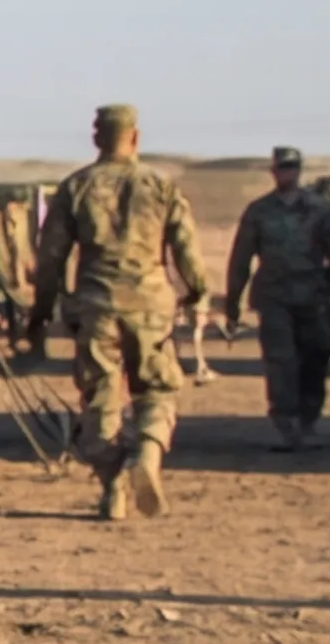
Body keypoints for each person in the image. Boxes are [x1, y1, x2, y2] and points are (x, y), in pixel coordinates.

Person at [32, 104, 209, 520]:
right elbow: (186, 247)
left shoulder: (75, 187)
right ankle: (148, 453)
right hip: (150, 304)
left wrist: (40, 311)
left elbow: (50, 258)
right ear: (136, 137)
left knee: (101, 400)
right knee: (157, 388)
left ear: (97, 139)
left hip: (97, 306)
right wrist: (198, 290)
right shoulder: (160, 187)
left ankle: (113, 487)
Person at [221, 144, 330, 449]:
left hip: (314, 295)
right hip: (275, 296)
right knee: (281, 362)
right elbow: (241, 259)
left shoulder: (320, 209)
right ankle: (287, 423)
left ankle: (308, 419)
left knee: (317, 356)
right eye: (282, 168)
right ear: (273, 172)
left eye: (292, 167)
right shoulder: (259, 212)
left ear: (299, 170)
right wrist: (232, 303)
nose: (287, 173)